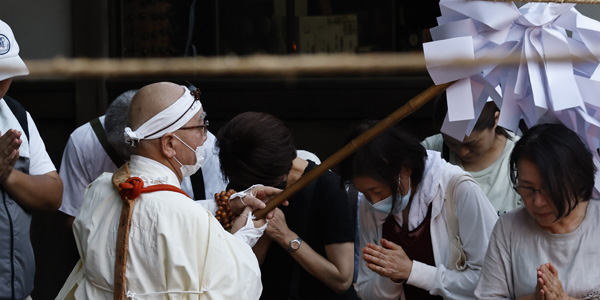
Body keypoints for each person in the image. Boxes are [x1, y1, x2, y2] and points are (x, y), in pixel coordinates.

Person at [56, 82, 278, 299]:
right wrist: (241, 240)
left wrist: (224, 204)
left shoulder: (101, 189)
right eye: (200, 126)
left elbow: (151, 218)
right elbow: (230, 289)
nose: (205, 135)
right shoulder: (181, 214)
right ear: (169, 144)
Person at [339, 122, 498, 300]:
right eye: (365, 194)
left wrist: (412, 271)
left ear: (404, 169)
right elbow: (366, 290)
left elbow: (491, 280)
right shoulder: (369, 206)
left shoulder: (459, 190)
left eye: (377, 191)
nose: (374, 201)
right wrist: (392, 278)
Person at [216, 112, 358, 299]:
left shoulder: (327, 188)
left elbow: (342, 280)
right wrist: (257, 230)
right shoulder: (244, 182)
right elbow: (240, 271)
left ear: (277, 175)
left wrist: (284, 235)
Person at [58, 89, 226, 226]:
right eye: (133, 159)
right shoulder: (84, 143)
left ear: (168, 144)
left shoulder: (200, 142)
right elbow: (75, 217)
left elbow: (216, 210)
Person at [475, 123, 600, 300]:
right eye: (527, 189)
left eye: (548, 189)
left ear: (577, 181)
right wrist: (536, 298)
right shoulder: (509, 228)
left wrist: (563, 299)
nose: (538, 202)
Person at [0, 19, 63, 299]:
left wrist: (6, 174)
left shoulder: (16, 115)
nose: (1, 82)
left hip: (19, 291)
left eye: (6, 73)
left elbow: (53, 194)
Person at [422, 95, 521, 215]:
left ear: (496, 120)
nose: (462, 152)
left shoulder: (522, 157)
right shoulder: (430, 152)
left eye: (472, 144)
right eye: (452, 143)